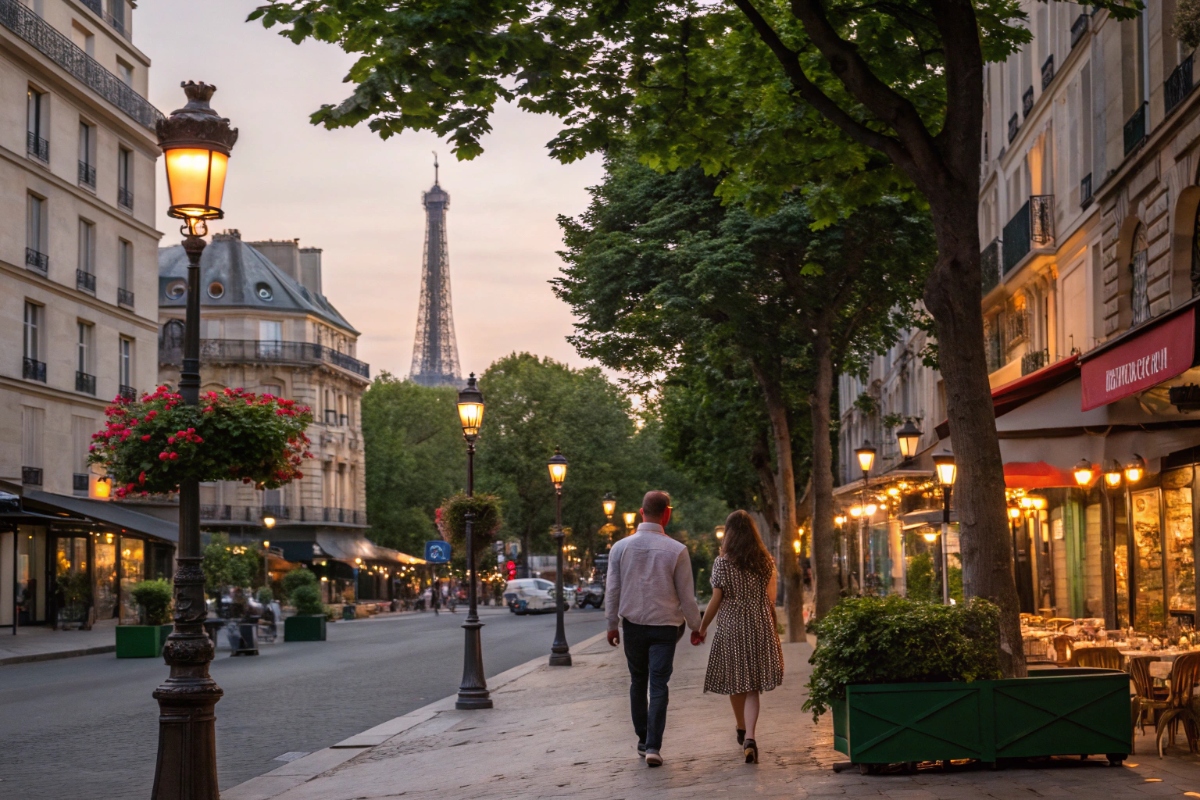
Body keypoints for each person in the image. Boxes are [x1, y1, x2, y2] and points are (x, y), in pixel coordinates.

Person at [605, 490, 702, 767]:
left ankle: (641, 738)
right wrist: (696, 627)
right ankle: (653, 746)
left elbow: (612, 590)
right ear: (667, 514)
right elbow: (687, 597)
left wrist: (612, 625)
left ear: (640, 513)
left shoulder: (620, 548)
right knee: (659, 684)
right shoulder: (677, 551)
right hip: (665, 629)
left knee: (638, 681)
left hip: (633, 627)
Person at [694, 510, 784, 764]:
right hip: (759, 625)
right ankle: (751, 738)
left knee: (737, 682)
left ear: (729, 534)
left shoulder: (722, 563)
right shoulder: (766, 562)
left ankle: (741, 727)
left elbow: (716, 599)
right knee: (753, 686)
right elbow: (771, 600)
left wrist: (702, 627)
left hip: (732, 626)